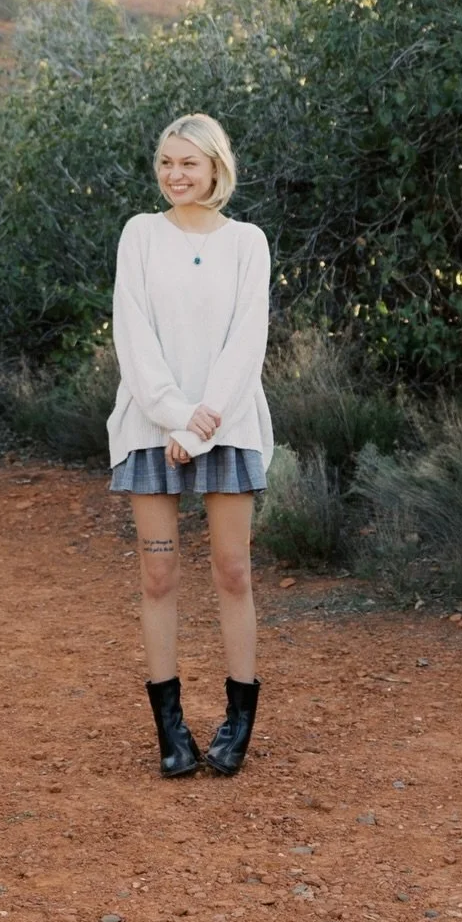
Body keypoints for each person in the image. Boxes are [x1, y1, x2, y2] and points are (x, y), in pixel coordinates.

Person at [106, 113, 272, 778]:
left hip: (227, 425)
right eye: (166, 162)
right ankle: (171, 729)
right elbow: (134, 334)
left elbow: (246, 341)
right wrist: (176, 419)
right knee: (159, 575)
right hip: (151, 429)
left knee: (233, 572)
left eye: (189, 163)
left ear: (215, 169)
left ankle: (237, 721)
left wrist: (201, 425)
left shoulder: (247, 242)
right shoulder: (140, 235)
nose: (176, 174)